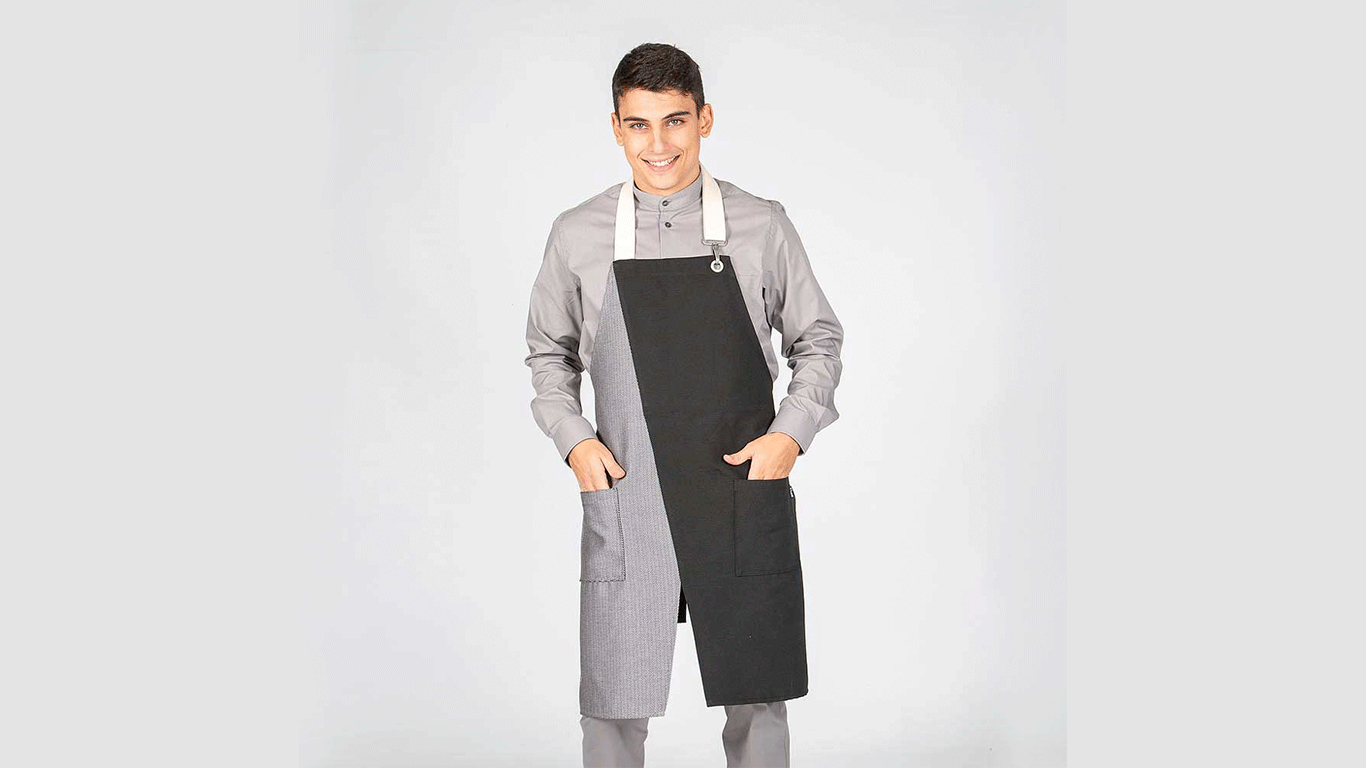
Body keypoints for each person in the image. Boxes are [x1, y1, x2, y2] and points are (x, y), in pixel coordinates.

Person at [523, 42, 845, 768]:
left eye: (674, 120)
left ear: (704, 119)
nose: (658, 144)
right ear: (616, 128)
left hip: (738, 492)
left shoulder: (762, 224)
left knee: (757, 693)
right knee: (613, 700)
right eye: (638, 125)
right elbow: (549, 353)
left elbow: (818, 339)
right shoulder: (577, 234)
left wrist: (789, 436)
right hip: (629, 491)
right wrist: (575, 441)